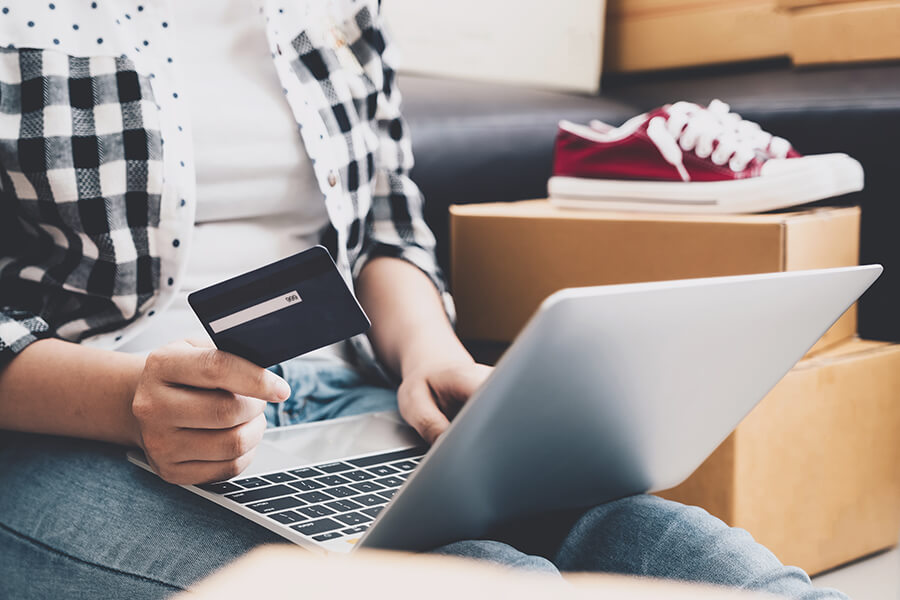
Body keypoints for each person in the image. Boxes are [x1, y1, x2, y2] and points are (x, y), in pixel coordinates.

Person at [0, 2, 846, 598]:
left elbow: (383, 221)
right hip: (74, 430)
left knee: (702, 562)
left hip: (337, 399)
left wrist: (432, 356)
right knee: (495, 583)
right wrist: (130, 401)